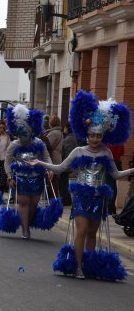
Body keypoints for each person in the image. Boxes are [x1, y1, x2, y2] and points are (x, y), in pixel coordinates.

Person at [30, 90, 133, 280]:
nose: (95, 139)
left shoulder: (106, 154)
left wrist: (132, 171)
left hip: (98, 199)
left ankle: (89, 264)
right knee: (82, 230)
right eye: (92, 135)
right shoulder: (78, 151)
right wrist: (41, 163)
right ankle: (77, 266)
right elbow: (61, 167)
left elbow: (116, 174)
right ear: (87, 135)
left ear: (103, 137)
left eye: (99, 136)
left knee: (92, 233)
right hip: (81, 198)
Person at [0, 105, 59, 239]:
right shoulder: (14, 145)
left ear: (32, 131)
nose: (23, 137)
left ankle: (27, 221)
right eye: (20, 133)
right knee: (24, 202)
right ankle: (25, 229)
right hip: (21, 178)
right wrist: (9, 176)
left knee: (33, 204)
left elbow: (46, 157)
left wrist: (50, 169)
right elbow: (7, 161)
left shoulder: (39, 143)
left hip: (37, 177)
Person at [42, 115, 63, 197]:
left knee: (52, 180)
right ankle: (54, 198)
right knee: (53, 180)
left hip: (53, 158)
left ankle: (53, 199)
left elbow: (47, 145)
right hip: (57, 157)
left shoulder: (53, 133)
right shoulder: (58, 132)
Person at [59, 123, 77, 206]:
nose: (64, 129)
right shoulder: (73, 137)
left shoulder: (68, 139)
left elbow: (67, 153)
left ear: (67, 128)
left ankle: (65, 201)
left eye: (65, 127)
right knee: (64, 183)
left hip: (66, 165)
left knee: (63, 183)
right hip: (69, 164)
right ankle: (67, 200)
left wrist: (64, 165)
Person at [105, 143, 124, 215]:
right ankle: (112, 207)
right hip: (117, 162)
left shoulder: (107, 143)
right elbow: (122, 152)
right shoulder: (120, 142)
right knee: (113, 185)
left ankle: (109, 207)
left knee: (109, 184)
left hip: (109, 164)